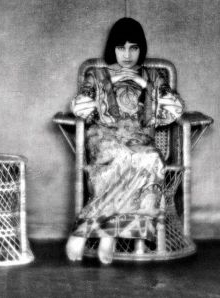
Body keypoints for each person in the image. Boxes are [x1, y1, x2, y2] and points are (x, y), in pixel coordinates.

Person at [66, 17, 184, 264]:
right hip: (105, 137)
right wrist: (114, 80)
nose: (127, 55)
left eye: (134, 48)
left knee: (150, 159)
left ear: (141, 49)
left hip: (140, 140)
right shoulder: (98, 76)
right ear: (113, 48)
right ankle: (97, 231)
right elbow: (80, 109)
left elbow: (175, 110)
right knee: (123, 157)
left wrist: (142, 83)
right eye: (121, 48)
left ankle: (96, 232)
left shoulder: (152, 77)